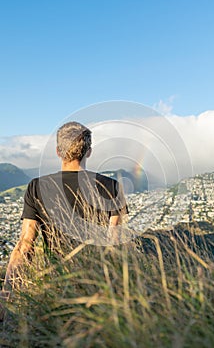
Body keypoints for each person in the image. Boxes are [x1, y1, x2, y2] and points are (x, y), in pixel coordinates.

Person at [0, 121, 128, 310]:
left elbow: (25, 244)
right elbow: (115, 241)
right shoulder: (112, 186)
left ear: (58, 151)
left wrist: (7, 293)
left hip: (56, 285)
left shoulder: (37, 187)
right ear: (89, 151)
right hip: (99, 286)